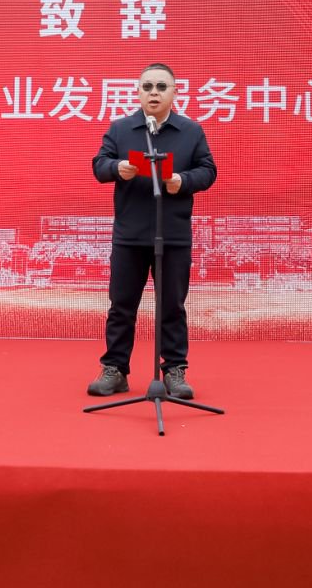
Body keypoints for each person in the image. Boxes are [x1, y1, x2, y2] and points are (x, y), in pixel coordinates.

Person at [87, 62, 217, 400]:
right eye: (147, 87)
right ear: (138, 92)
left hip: (172, 235)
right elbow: (99, 166)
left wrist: (182, 180)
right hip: (129, 235)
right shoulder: (121, 129)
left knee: (172, 306)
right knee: (121, 306)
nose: (154, 93)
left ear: (174, 92)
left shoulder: (191, 131)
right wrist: (116, 167)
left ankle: (174, 370)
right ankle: (115, 369)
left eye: (161, 87)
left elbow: (208, 170)